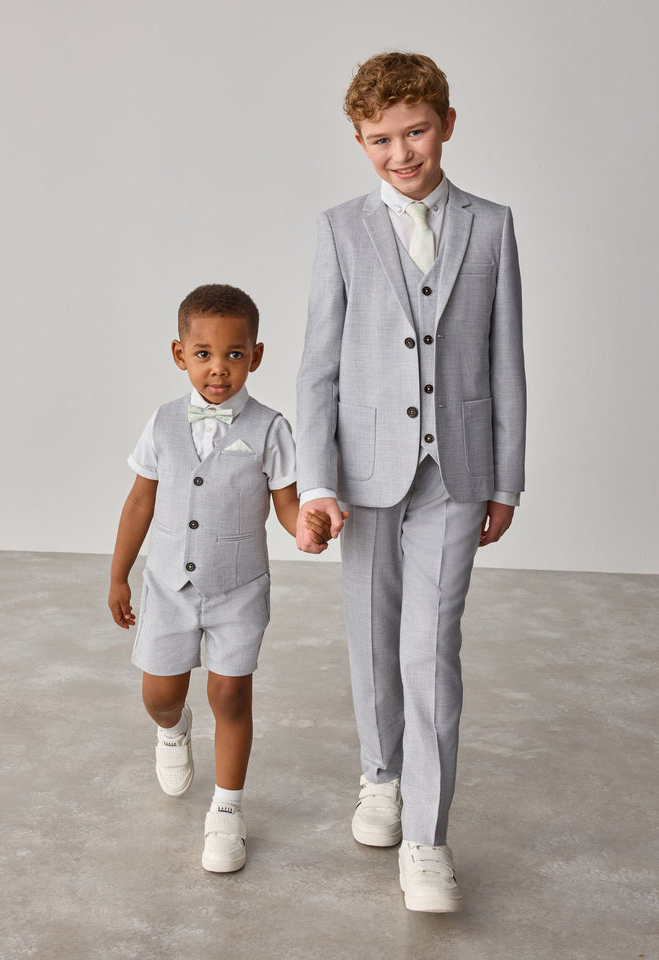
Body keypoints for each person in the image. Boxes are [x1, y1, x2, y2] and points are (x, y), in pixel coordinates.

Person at [295, 52, 526, 912]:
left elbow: (506, 360)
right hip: (361, 479)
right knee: (372, 636)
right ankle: (382, 776)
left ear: (447, 124)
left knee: (431, 649)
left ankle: (428, 839)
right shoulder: (340, 229)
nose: (402, 153)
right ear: (361, 142)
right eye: (381, 140)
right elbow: (318, 369)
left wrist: (506, 479)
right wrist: (316, 482)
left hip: (456, 472)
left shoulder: (492, 226)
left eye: (417, 131)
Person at [109, 283, 330, 873]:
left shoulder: (271, 428)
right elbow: (139, 502)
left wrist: (306, 528)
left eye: (234, 354)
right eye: (203, 354)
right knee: (160, 695)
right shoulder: (162, 423)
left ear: (255, 356)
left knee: (230, 694)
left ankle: (227, 809)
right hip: (167, 587)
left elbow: (287, 504)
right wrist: (118, 576)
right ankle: (172, 729)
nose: (218, 368)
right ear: (179, 354)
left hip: (239, 588)